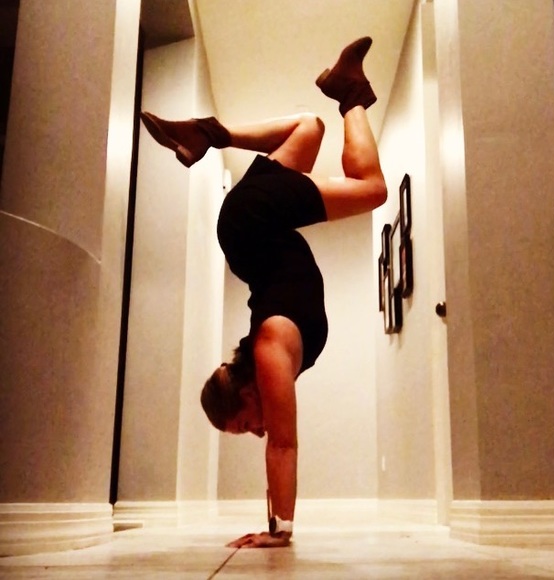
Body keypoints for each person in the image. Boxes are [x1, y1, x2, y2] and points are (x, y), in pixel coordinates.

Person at [140, 36, 387, 548]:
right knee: (308, 128)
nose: (257, 431)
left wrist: (280, 532)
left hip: (253, 223)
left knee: (372, 190)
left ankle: (352, 94)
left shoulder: (270, 350)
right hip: (249, 225)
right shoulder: (268, 352)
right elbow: (277, 443)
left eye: (245, 424)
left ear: (247, 394)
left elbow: (283, 445)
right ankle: (208, 134)